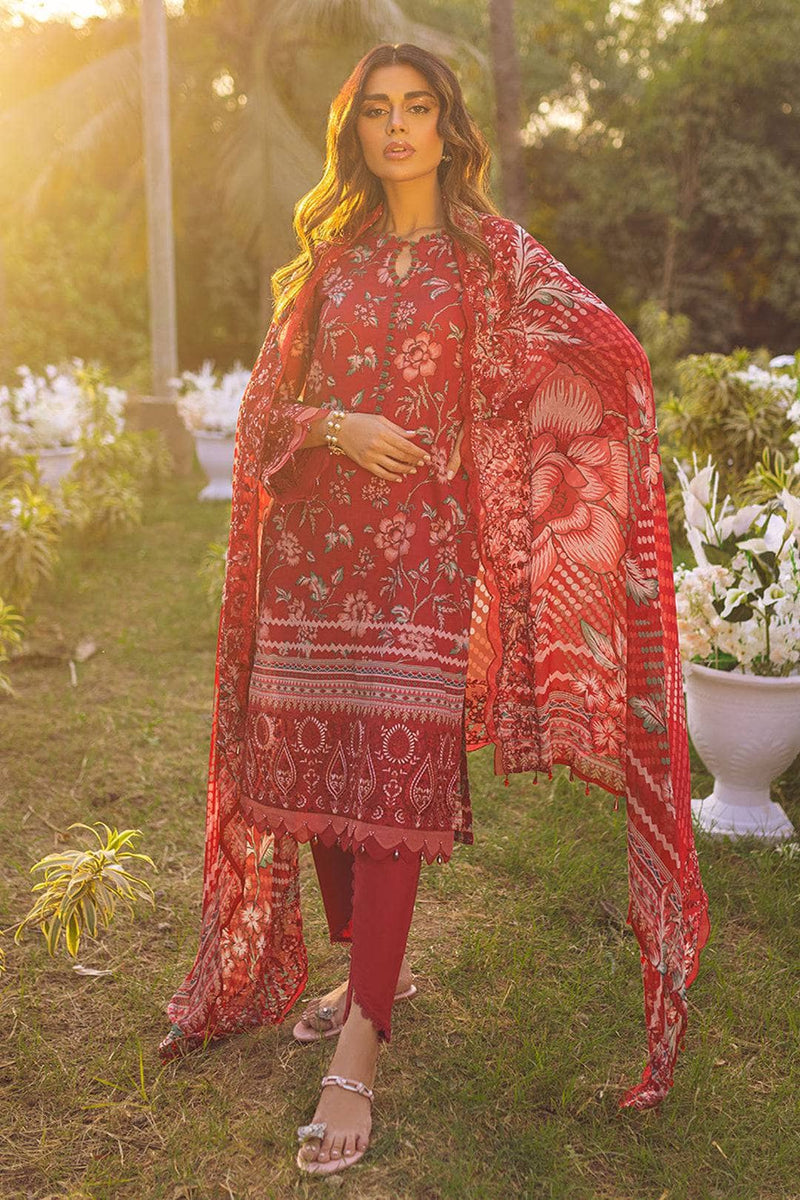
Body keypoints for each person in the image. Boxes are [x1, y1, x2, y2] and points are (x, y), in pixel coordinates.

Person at [159, 42, 710, 1177]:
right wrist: (336, 427)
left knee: (391, 776)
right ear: (354, 131)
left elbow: (607, 350)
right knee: (316, 780)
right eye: (377, 111)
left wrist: (504, 441)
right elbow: (262, 417)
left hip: (422, 556)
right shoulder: (331, 261)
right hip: (314, 557)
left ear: (449, 129)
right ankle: (374, 965)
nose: (398, 127)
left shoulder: (495, 260)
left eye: (417, 108)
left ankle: (359, 1043)